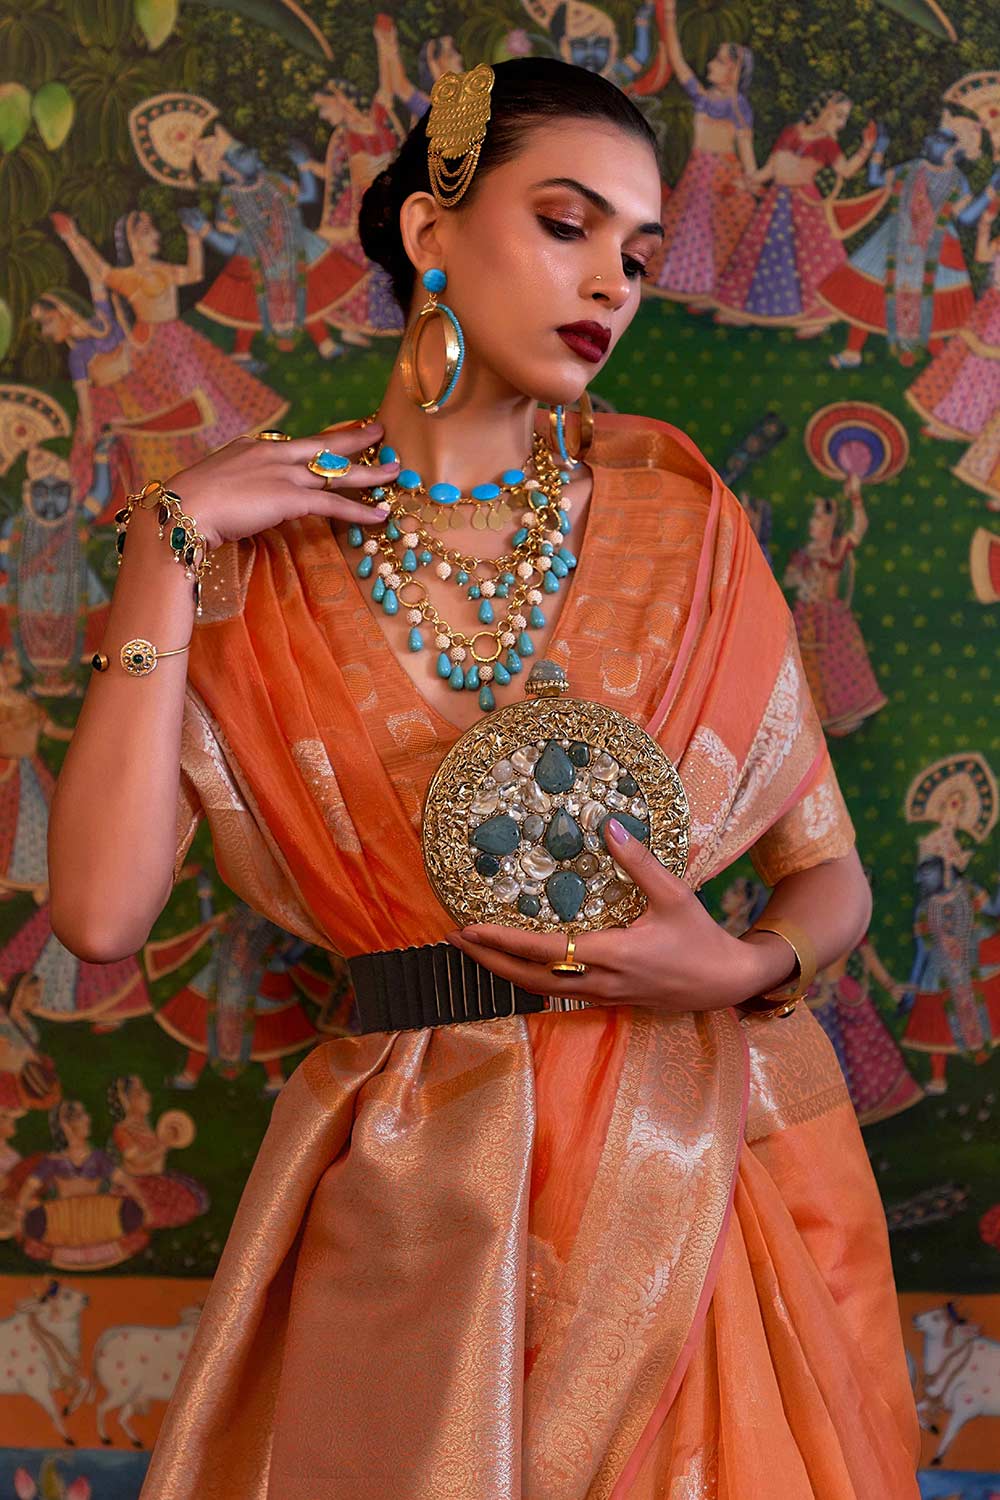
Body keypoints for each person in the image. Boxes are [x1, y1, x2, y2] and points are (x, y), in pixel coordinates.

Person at [48, 57, 919, 1499]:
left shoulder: (678, 527)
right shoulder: (254, 553)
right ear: (429, 229)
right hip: (417, 1184)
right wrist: (166, 548)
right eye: (567, 225)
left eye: (640, 254)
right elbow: (98, 915)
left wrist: (738, 966)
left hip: (698, 1164)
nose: (614, 283)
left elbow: (827, 874)